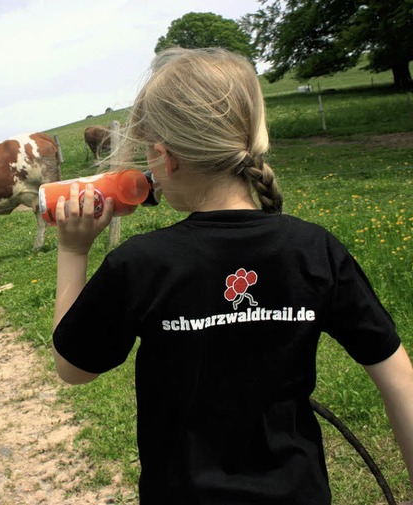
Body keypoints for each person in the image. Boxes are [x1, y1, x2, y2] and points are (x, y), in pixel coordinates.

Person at [51, 47, 413, 504]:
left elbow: (73, 368)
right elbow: (400, 380)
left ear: (165, 157)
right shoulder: (314, 249)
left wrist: (72, 248)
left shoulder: (143, 263)